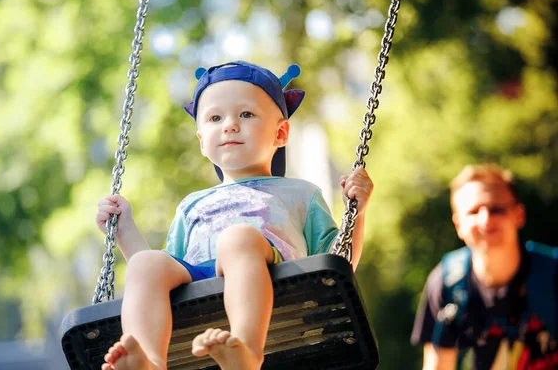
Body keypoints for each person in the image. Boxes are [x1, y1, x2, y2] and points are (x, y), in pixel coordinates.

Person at [94, 61, 374, 370]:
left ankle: (247, 350)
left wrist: (357, 212)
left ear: (280, 133)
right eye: (215, 118)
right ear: (202, 140)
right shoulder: (192, 205)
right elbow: (164, 277)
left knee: (238, 238)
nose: (229, 125)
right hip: (200, 290)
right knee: (146, 263)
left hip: (281, 285)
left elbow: (337, 263)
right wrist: (124, 230)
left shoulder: (301, 193)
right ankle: (150, 361)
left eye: (246, 114)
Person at [411, 164, 558, 369]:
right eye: (473, 212)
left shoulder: (552, 273)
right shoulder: (446, 282)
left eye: (496, 209)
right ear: (458, 226)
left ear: (519, 215)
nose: (485, 220)